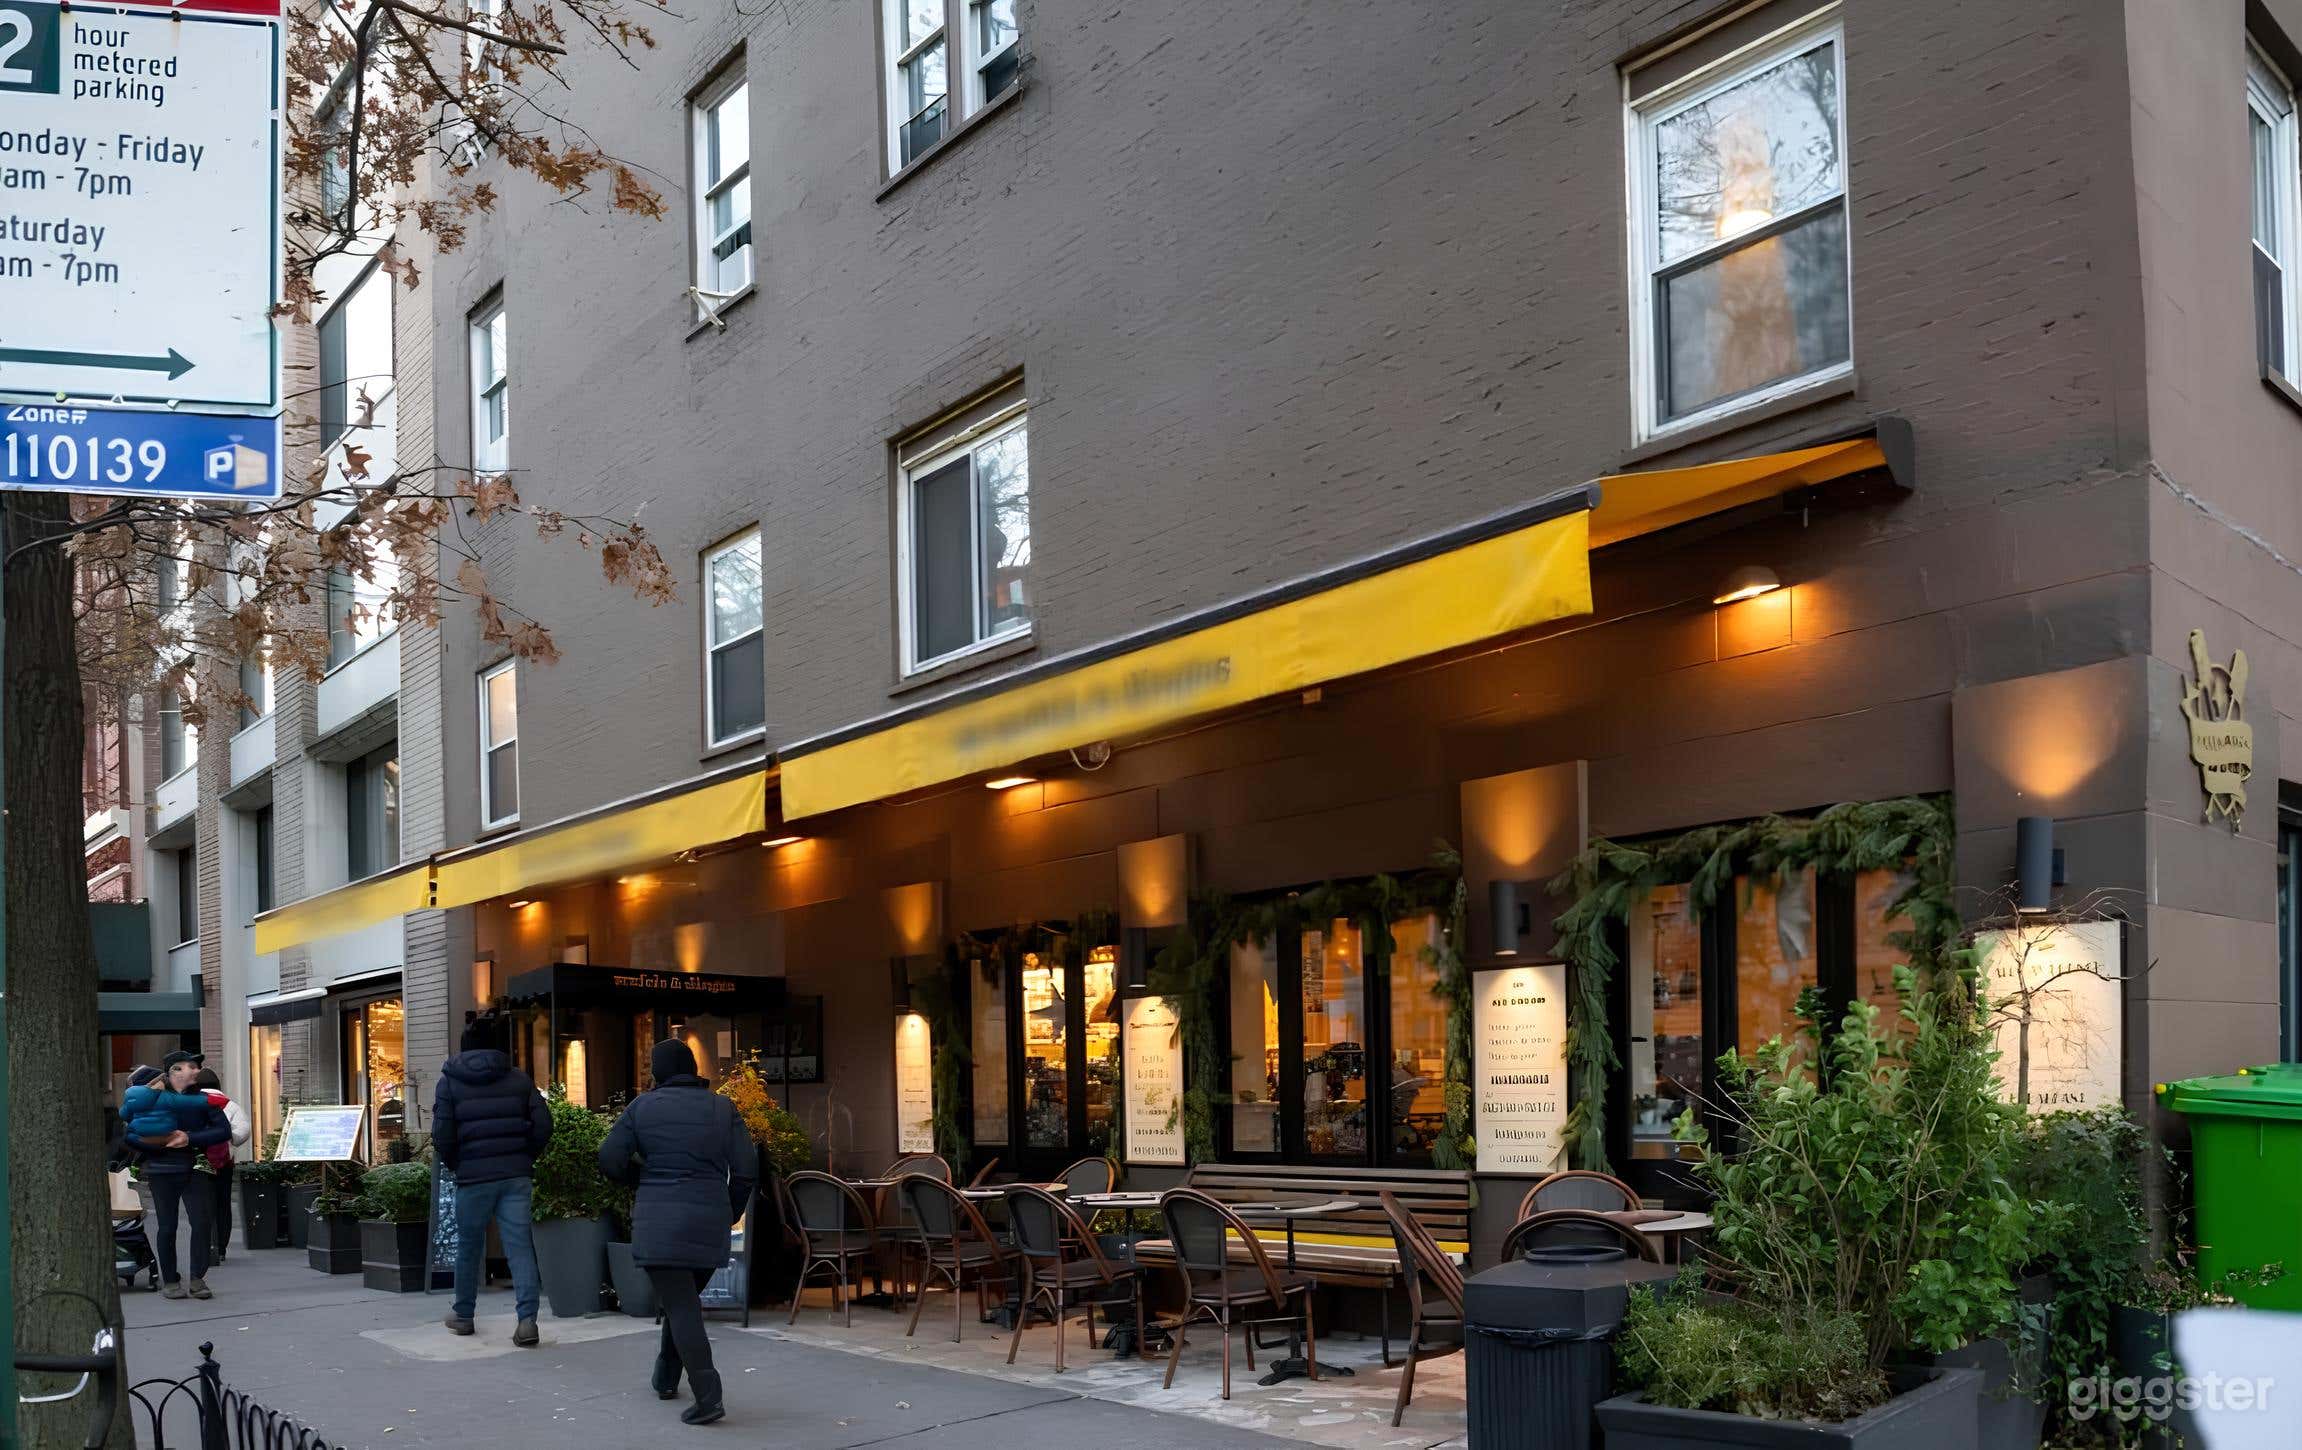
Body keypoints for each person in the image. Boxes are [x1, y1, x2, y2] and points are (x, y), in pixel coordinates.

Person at [598, 1039, 757, 1427]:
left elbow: (608, 1158)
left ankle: (708, 1396)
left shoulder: (642, 1107)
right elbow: (748, 1170)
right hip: (708, 1222)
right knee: (681, 1299)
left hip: (660, 1222)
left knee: (681, 1304)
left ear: (657, 1071)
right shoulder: (723, 1108)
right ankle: (666, 1377)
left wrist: (642, 1178)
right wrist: (727, 1211)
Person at [432, 1020, 553, 1346]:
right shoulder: (518, 1079)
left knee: (469, 1248)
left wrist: (457, 1163)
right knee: (520, 1247)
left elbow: (442, 1134)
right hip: (515, 1176)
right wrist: (525, 1156)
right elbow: (544, 1124)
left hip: (472, 1178)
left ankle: (464, 1315)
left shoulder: (449, 1082)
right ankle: (527, 1321)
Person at [121, 1051, 231, 1299]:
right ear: (173, 1071)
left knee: (201, 1221)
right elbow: (130, 1136)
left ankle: (197, 1279)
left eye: (196, 1067)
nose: (195, 1071)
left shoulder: (204, 1099)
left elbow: (223, 1131)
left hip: (195, 1166)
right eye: (189, 1066)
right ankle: (170, 1280)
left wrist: (189, 1138)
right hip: (162, 1169)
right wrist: (161, 1144)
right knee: (167, 1226)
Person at [192, 1068, 252, 1263]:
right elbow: (242, 1132)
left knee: (201, 1204)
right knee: (222, 1204)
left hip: (197, 1161)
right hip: (223, 1163)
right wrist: (228, 1139)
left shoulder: (190, 1104)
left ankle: (206, 1243)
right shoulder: (230, 1105)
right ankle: (221, 1247)